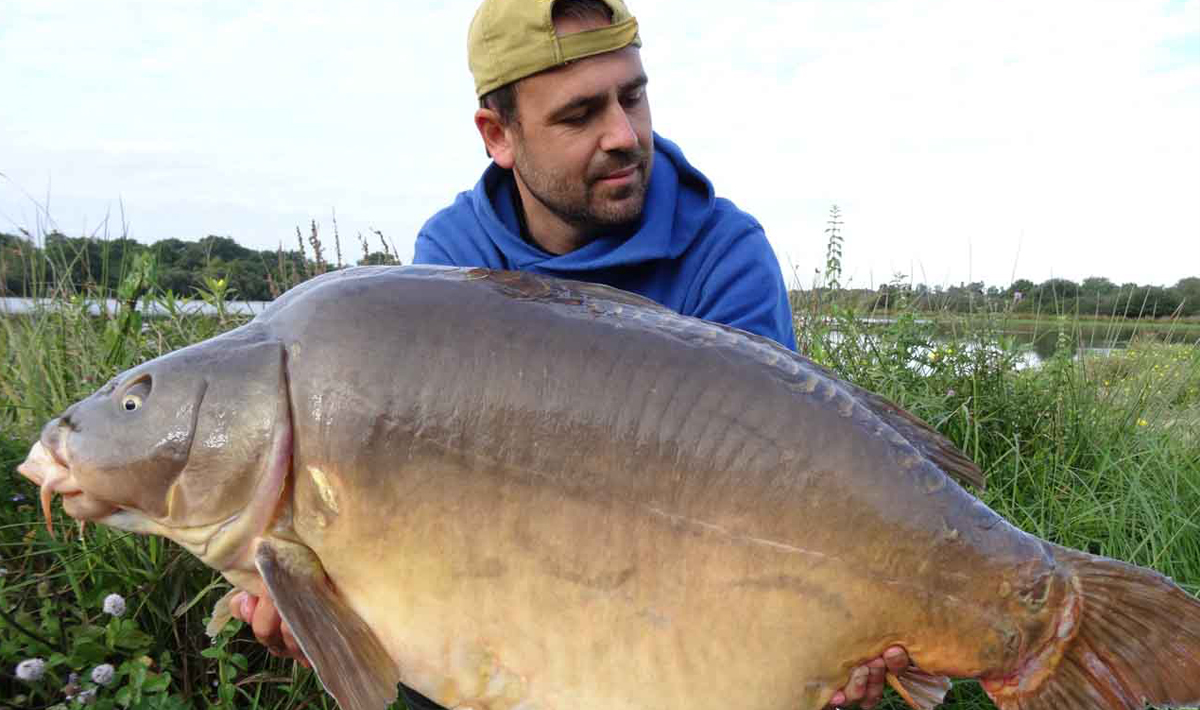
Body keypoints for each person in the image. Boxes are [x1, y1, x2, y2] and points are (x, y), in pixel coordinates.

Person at [232, 0, 910, 707]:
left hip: (698, 588)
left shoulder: (725, 256)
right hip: (516, 593)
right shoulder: (454, 266)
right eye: (580, 115)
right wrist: (324, 602)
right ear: (499, 134)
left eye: (633, 96)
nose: (623, 134)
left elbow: (780, 495)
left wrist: (817, 643)